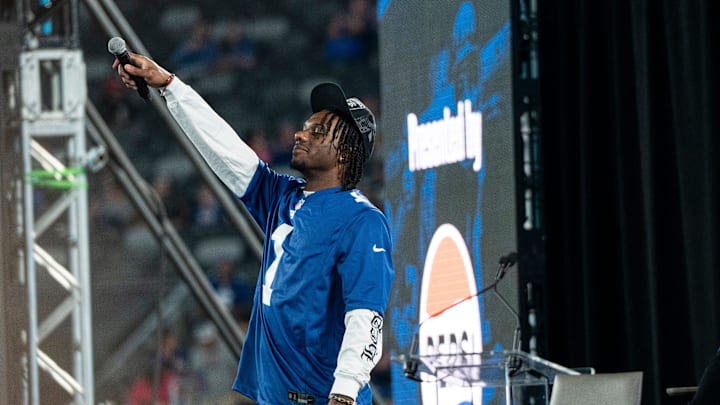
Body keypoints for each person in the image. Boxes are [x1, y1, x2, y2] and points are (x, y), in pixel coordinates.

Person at [113, 51, 394, 405]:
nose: (300, 133)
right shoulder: (282, 197)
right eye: (306, 126)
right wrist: (170, 86)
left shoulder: (362, 220)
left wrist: (345, 392)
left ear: (344, 151)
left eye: (317, 130)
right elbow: (224, 147)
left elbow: (366, 314)